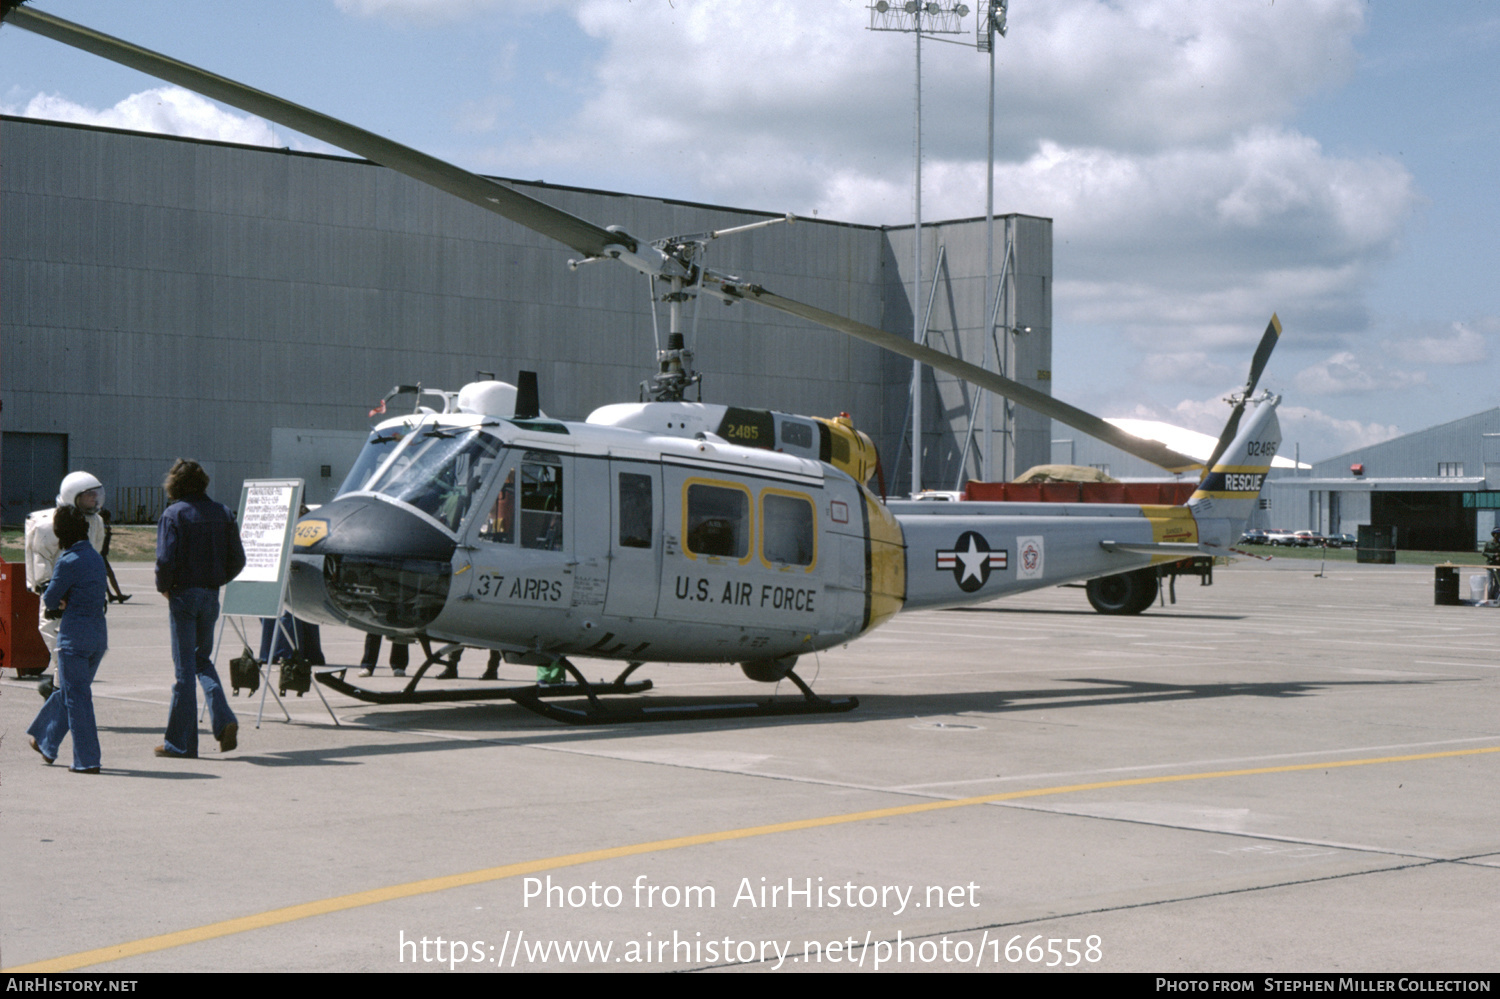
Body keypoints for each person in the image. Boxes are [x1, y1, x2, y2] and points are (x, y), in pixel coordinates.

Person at [155, 459, 246, 759]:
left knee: (183, 671)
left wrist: (165, 587)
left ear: (175, 484)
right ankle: (223, 720)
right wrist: (218, 580)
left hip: (183, 595)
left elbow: (165, 561)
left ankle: (180, 743)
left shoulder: (173, 514)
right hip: (210, 595)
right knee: (201, 661)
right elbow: (238, 560)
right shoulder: (223, 513)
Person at [27, 506, 108, 773]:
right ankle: (45, 740)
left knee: (77, 698)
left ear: (60, 534)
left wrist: (60, 598)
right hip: (98, 636)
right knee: (71, 691)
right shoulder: (96, 558)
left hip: (74, 637)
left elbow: (50, 598)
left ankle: (87, 760)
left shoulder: (68, 560)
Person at [24, 471, 107, 692]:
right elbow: (41, 563)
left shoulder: (97, 522)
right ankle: (60, 692)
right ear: (73, 496)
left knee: (77, 653)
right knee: (59, 647)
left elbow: (95, 557)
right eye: (89, 495)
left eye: (96, 494)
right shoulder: (46, 526)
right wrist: (52, 594)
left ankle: (59, 691)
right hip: (57, 597)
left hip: (81, 598)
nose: (95, 499)